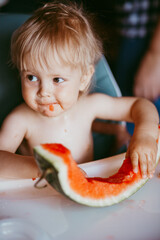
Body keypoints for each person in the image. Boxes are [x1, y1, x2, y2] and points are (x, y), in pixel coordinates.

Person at [0, 1, 159, 180]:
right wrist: (39, 168)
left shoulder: (90, 106)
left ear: (84, 78)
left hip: (88, 186)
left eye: (57, 79)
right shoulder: (20, 120)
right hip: (40, 196)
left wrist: (145, 135)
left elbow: (140, 105)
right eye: (32, 77)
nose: (44, 92)